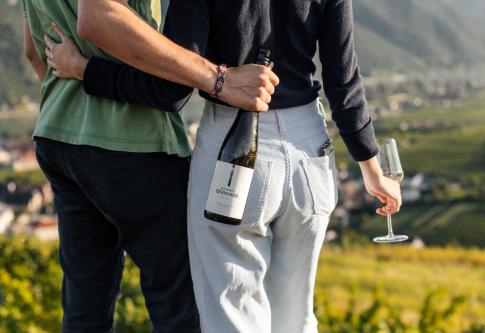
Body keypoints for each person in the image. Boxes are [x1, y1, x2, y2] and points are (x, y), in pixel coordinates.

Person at [46, 0, 403, 332]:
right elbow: (344, 83)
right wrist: (372, 169)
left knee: (232, 315)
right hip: (310, 151)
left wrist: (85, 70)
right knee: (296, 316)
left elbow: (168, 91)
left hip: (233, 147)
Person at [22, 0, 278, 332]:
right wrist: (220, 79)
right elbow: (97, 16)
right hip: (134, 141)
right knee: (178, 306)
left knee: (85, 307)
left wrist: (73, 99)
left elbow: (32, 48)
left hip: (59, 135)